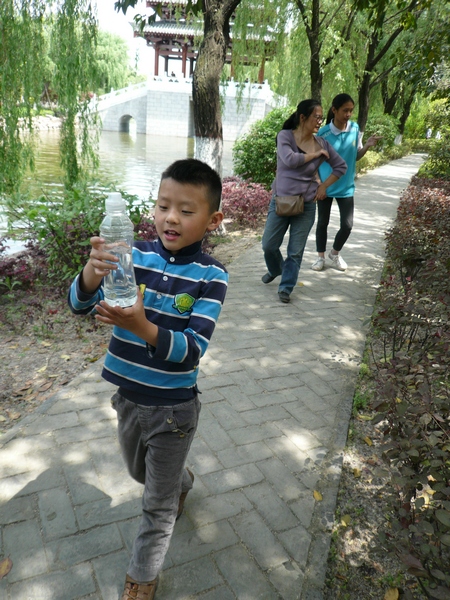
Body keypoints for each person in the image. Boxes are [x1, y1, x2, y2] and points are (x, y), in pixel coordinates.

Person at [68, 159, 228, 600]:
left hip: (174, 409)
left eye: (186, 209)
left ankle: (141, 578)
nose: (170, 217)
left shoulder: (212, 276)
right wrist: (91, 273)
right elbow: (79, 306)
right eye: (162, 206)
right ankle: (182, 480)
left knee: (155, 506)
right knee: (140, 472)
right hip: (128, 400)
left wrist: (141, 327)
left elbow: (193, 348)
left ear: (213, 219)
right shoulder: (130, 254)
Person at [261, 99, 347, 303]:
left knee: (295, 251)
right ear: (302, 117)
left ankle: (286, 286)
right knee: (268, 245)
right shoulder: (285, 136)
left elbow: (340, 167)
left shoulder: (323, 143)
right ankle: (276, 269)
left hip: (306, 205)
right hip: (281, 201)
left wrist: (323, 186)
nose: (320, 121)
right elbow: (289, 159)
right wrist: (316, 155)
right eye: (316, 117)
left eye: (321, 117)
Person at [312, 93, 381, 272]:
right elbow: (314, 162)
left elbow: (355, 156)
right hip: (326, 187)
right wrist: (320, 184)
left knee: (347, 225)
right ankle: (320, 258)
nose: (348, 114)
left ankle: (334, 253)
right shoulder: (323, 133)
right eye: (345, 110)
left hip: (346, 187)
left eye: (351, 111)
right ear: (334, 110)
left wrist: (366, 146)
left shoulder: (355, 128)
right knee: (322, 223)